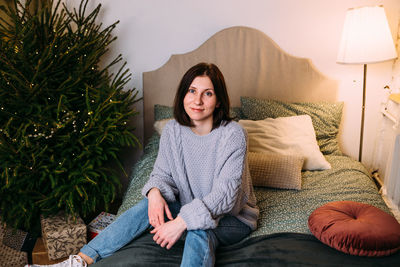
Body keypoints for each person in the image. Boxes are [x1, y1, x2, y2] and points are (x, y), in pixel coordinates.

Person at [28, 62, 259, 267]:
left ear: (218, 101)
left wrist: (181, 222)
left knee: (199, 229)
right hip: (189, 205)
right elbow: (161, 173)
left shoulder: (233, 134)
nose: (197, 100)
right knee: (145, 206)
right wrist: (155, 193)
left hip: (233, 218)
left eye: (207, 93)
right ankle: (80, 261)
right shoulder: (172, 131)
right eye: (192, 91)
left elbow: (225, 196)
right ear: (182, 95)